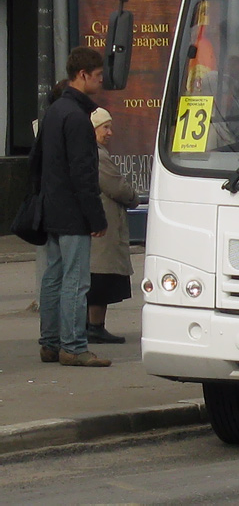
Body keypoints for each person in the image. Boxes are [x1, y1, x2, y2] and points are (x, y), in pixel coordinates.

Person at [38, 47, 111, 367]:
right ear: (82, 75)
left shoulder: (53, 112)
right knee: (76, 281)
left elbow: (35, 162)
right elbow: (83, 174)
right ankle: (74, 346)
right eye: (97, 76)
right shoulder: (79, 118)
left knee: (53, 277)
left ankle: (50, 343)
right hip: (73, 213)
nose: (101, 82)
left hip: (50, 207)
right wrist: (95, 216)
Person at [86, 108, 139, 344]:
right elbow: (117, 187)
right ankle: (95, 326)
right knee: (101, 276)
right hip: (103, 225)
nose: (110, 132)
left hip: (99, 223)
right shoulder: (97, 156)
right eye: (105, 127)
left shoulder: (92, 153)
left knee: (98, 276)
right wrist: (134, 197)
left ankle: (91, 326)